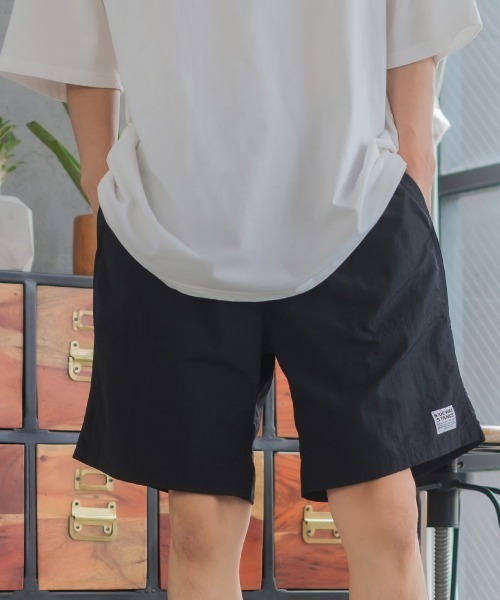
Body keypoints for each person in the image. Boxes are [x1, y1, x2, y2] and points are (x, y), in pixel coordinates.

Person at [0, 1, 485, 598]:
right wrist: (103, 186)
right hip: (172, 230)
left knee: (384, 516)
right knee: (199, 527)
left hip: (359, 208)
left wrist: (413, 167)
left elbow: (415, 19)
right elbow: (72, 31)